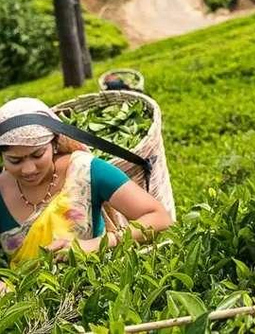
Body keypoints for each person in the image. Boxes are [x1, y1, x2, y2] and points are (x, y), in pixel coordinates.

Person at [0, 98, 172, 266]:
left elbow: (159, 218)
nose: (28, 169)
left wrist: (96, 245)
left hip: (95, 284)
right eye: (15, 161)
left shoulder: (85, 171)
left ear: (54, 144)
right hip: (21, 292)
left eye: (37, 155)